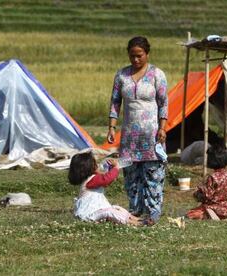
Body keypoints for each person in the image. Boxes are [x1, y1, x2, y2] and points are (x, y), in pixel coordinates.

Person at [107, 36, 168, 225]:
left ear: (147, 54)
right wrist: (112, 126)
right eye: (132, 56)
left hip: (151, 134)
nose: (135, 60)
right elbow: (115, 101)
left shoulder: (157, 75)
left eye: (139, 56)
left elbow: (163, 103)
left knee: (152, 173)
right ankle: (135, 210)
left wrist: (163, 127)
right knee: (131, 174)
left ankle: (153, 213)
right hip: (128, 137)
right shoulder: (121, 76)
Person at [68, 151, 141, 226]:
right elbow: (106, 180)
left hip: (96, 212)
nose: (98, 165)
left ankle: (136, 219)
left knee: (116, 208)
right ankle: (134, 223)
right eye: (95, 163)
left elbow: (105, 181)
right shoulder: (92, 180)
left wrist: (111, 169)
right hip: (89, 215)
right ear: (89, 167)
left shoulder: (92, 179)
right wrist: (116, 168)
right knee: (110, 212)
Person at [186, 145, 227, 220]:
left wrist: (197, 193)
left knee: (189, 214)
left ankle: (210, 215)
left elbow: (207, 196)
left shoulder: (213, 177)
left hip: (215, 208)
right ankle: (221, 216)